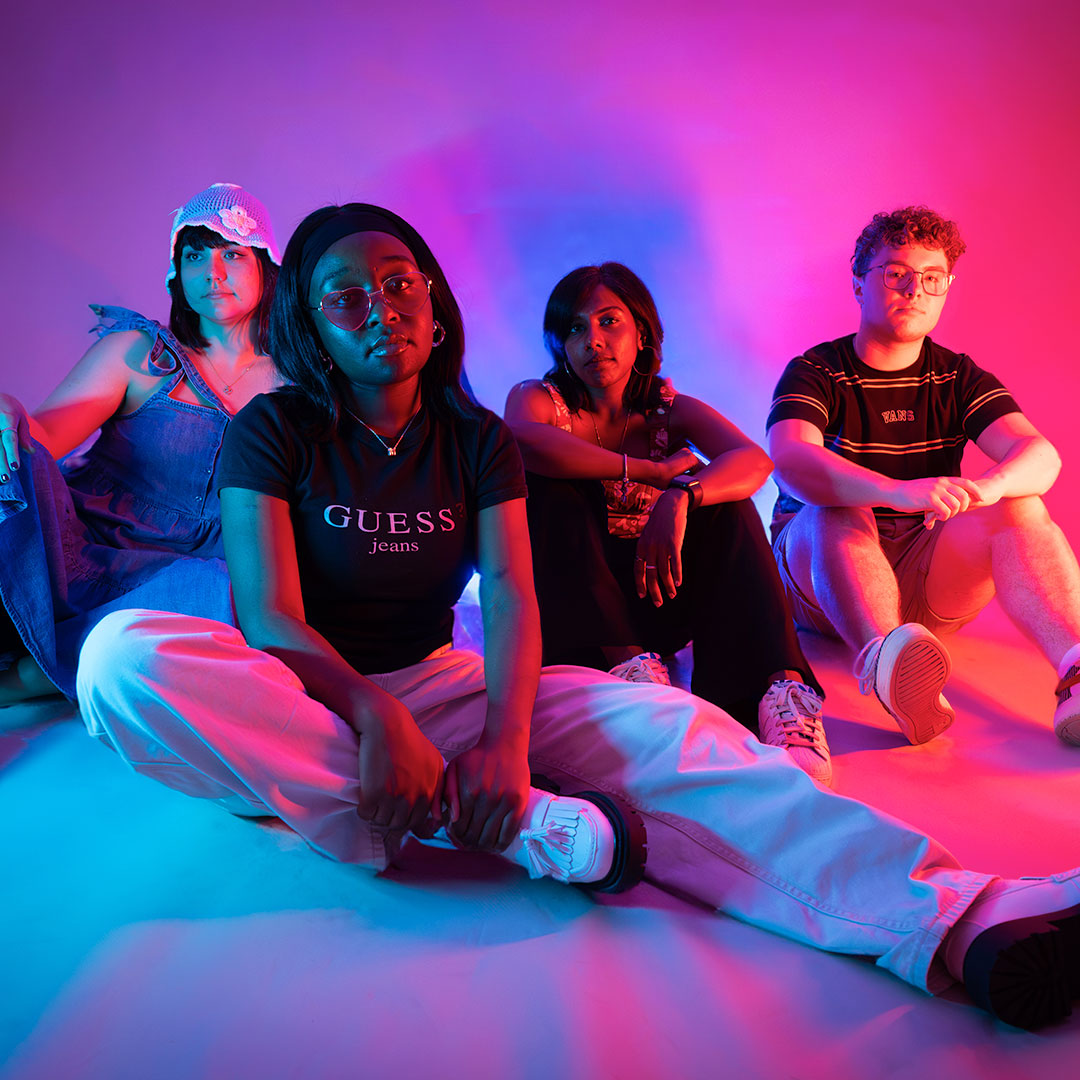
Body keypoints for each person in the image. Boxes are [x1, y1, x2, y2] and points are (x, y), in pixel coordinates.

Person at [76, 203, 1080, 1032]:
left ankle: (955, 914)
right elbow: (271, 617)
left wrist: (506, 741)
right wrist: (374, 719)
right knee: (121, 659)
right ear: (311, 325)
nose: (381, 308)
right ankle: (498, 826)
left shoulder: (474, 438)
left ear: (432, 298)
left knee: (675, 731)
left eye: (399, 283)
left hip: (445, 685)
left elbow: (509, 598)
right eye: (346, 298)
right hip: (298, 695)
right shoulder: (275, 428)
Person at [766, 206, 1080, 747]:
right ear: (860, 284)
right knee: (835, 503)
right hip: (823, 580)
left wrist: (986, 490)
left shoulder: (957, 375)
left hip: (923, 576)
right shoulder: (815, 370)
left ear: (946, 289)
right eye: (896, 274)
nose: (914, 290)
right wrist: (898, 492)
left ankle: (1076, 673)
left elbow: (1041, 455)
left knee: (1019, 503)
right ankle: (888, 663)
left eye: (931, 279)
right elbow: (792, 462)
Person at [504, 263, 830, 783]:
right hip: (576, 615)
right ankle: (633, 681)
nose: (593, 341)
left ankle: (778, 692)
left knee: (725, 499)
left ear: (642, 333)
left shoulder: (667, 409)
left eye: (609, 322)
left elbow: (754, 462)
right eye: (574, 328)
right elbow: (523, 440)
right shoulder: (540, 400)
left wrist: (679, 495)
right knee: (552, 485)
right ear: (559, 344)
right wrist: (650, 471)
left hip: (656, 596)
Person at [0, 182, 281, 705]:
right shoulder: (138, 351)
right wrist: (8, 414)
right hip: (86, 548)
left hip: (203, 576)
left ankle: (31, 675)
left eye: (232, 254)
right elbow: (38, 443)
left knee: (244, 598)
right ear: (178, 271)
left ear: (265, 265)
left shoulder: (299, 379)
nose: (212, 273)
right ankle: (44, 653)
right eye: (195, 254)